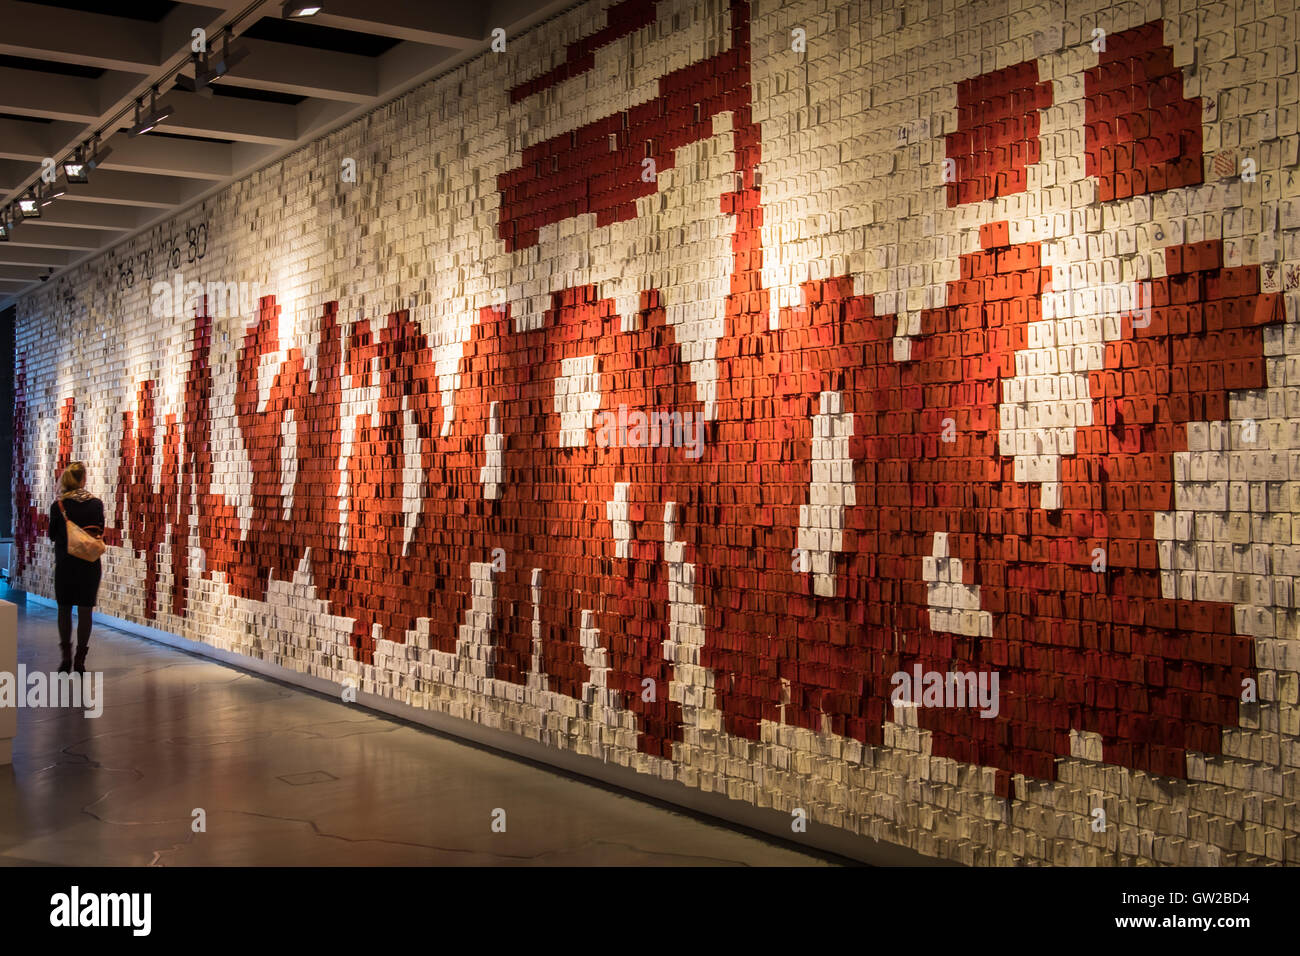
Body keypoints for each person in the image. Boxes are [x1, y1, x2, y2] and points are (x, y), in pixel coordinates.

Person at [48, 461, 105, 673]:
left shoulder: (59, 506)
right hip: (89, 564)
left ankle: (65, 659)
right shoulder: (96, 504)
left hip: (66, 564)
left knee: (64, 609)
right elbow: (100, 530)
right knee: (85, 611)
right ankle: (81, 660)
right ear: (83, 479)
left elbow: (52, 535)